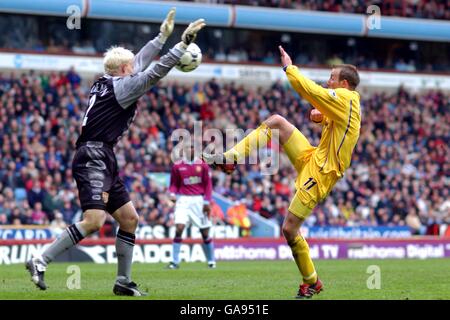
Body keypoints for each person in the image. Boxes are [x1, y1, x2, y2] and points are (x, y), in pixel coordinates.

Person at [25, 8, 206, 296]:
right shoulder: (125, 86)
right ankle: (40, 259)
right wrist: (181, 45)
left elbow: (141, 62)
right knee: (94, 221)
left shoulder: (106, 81)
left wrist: (161, 37)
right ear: (124, 70)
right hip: (93, 157)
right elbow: (154, 72)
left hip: (102, 155)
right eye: (131, 66)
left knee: (129, 218)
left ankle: (122, 282)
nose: (135, 67)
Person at [203, 46, 361, 298]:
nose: (328, 81)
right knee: (276, 121)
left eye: (332, 77)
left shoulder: (347, 98)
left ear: (344, 83)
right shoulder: (345, 103)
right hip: (313, 157)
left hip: (321, 173)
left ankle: (311, 281)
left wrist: (289, 67)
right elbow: (322, 113)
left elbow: (312, 91)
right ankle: (231, 159)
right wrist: (320, 117)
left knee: (289, 229)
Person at [166, 140, 215, 269]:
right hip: (183, 200)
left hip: (199, 200)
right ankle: (174, 262)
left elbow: (208, 185)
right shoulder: (177, 166)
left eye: (193, 148)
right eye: (188, 148)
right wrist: (171, 194)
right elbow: (174, 185)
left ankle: (211, 261)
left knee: (204, 232)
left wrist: (206, 202)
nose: (191, 150)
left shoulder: (203, 165)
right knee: (179, 228)